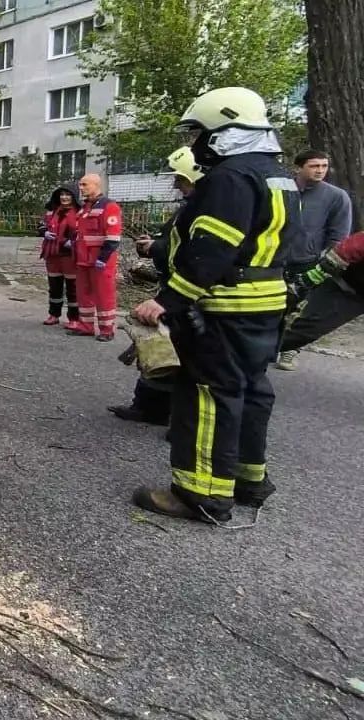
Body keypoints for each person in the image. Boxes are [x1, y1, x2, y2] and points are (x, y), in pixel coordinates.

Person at [131, 87, 302, 523]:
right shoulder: (277, 175)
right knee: (251, 389)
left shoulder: (228, 179)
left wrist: (166, 301)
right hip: (265, 305)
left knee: (208, 394)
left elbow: (211, 250)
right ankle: (248, 479)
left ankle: (201, 494)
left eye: (200, 135)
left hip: (224, 306)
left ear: (223, 131)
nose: (196, 145)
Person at [108, 146, 206, 426]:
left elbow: (196, 251)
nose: (176, 183)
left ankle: (176, 417)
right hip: (175, 287)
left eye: (180, 178)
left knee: (173, 354)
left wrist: (156, 247)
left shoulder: (206, 208)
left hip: (187, 293)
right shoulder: (191, 207)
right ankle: (150, 408)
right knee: (158, 349)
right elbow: (175, 242)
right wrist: (153, 244)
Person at [275, 149, 355, 370]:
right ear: (298, 167)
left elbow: (339, 237)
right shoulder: (281, 191)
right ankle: (265, 347)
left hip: (309, 264)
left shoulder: (337, 197)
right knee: (273, 308)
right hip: (274, 261)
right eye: (314, 166)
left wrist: (323, 264)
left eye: (324, 166)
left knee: (300, 313)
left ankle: (290, 350)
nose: (320, 170)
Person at [282, 231, 364, 352]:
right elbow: (352, 247)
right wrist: (321, 271)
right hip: (348, 288)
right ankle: (252, 353)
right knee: (303, 333)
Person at [71, 174, 123, 341]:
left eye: (84, 184)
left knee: (104, 295)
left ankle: (107, 330)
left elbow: (113, 237)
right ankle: (86, 326)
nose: (81, 188)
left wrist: (103, 258)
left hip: (101, 260)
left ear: (96, 185)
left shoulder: (109, 206)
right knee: (83, 294)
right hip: (82, 260)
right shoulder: (85, 208)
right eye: (80, 184)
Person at [37, 184, 81, 327]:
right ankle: (53, 314)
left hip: (70, 254)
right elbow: (41, 224)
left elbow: (82, 231)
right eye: (62, 194)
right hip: (53, 254)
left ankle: (74, 319)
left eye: (67, 194)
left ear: (74, 197)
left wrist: (72, 241)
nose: (64, 197)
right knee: (54, 286)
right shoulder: (51, 211)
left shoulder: (80, 213)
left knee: (72, 288)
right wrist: (45, 232)